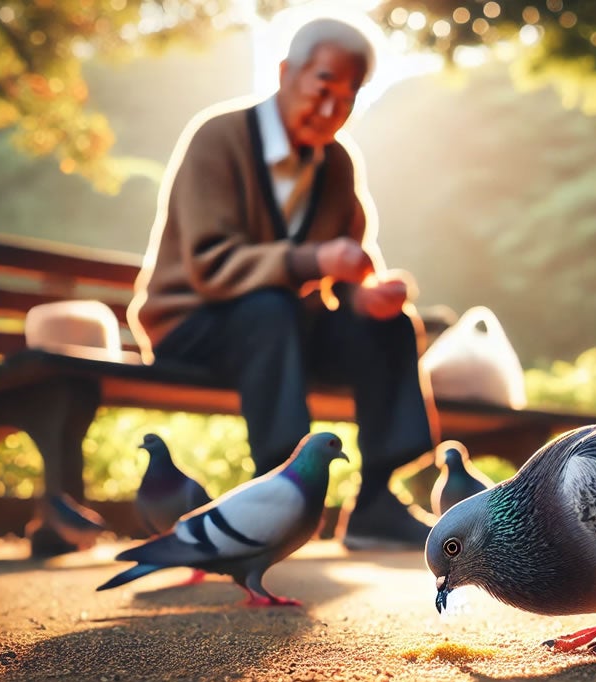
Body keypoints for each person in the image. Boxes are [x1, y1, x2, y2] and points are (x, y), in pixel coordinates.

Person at [128, 17, 440, 551]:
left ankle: (376, 502)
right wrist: (314, 258)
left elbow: (351, 268)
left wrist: (368, 298)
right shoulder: (218, 137)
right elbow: (210, 262)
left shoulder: (339, 163)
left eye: (347, 99)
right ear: (286, 72)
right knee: (269, 306)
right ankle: (279, 489)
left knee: (390, 328)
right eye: (323, 86)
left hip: (284, 333)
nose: (330, 110)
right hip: (195, 322)